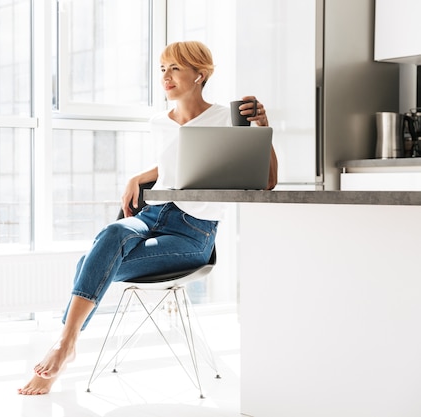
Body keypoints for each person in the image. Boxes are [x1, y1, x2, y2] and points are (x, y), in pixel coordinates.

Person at [18, 40, 278, 395]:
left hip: (191, 233)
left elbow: (265, 181)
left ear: (199, 75)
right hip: (153, 215)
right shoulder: (160, 123)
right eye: (162, 69)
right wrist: (139, 177)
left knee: (88, 264)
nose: (165, 77)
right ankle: (66, 345)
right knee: (111, 233)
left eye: (175, 68)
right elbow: (180, 163)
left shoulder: (226, 118)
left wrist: (262, 127)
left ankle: (65, 345)